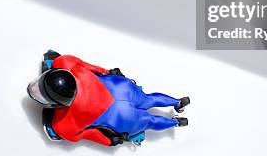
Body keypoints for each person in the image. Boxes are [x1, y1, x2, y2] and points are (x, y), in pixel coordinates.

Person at [27, 51, 190, 146]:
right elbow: (94, 68)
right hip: (121, 88)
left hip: (122, 118)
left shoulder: (64, 126)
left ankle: (176, 122)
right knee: (148, 99)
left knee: (150, 121)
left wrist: (113, 141)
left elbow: (92, 134)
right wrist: (110, 72)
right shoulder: (66, 62)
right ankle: (177, 102)